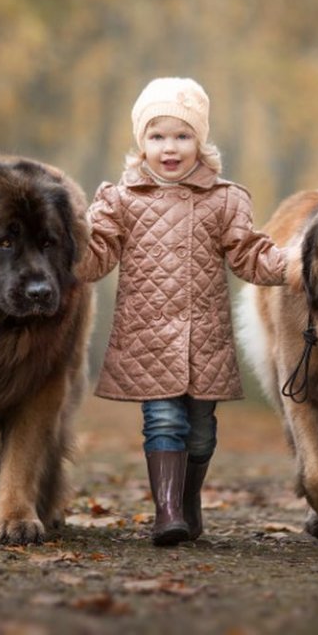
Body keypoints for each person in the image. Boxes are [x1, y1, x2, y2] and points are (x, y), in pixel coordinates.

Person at [79, 76, 290, 546]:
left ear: (200, 140)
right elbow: (96, 258)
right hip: (148, 336)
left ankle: (189, 501)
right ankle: (167, 511)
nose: (169, 148)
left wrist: (294, 265)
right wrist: (70, 242)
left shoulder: (225, 198)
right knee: (163, 422)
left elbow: (248, 254)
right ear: (142, 143)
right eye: (157, 136)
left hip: (205, 340)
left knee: (201, 434)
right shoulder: (119, 199)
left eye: (182, 135)